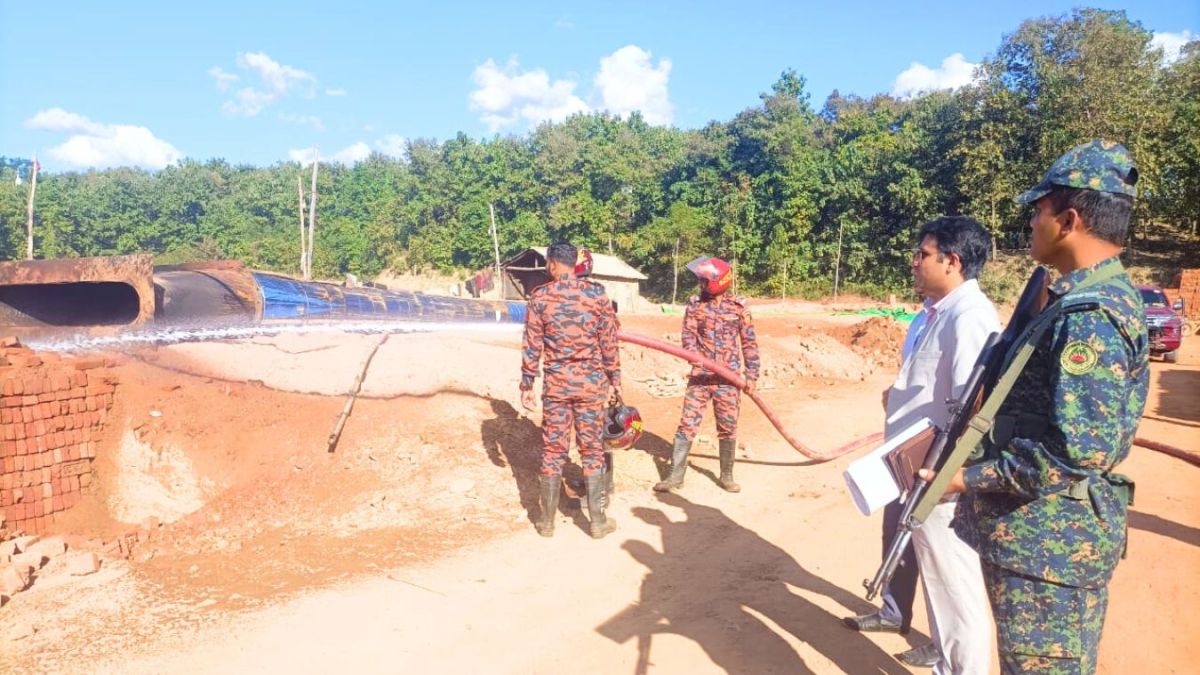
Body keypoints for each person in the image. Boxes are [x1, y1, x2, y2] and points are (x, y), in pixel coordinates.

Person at [925, 139, 1148, 674]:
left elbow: (1076, 454)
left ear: (1068, 220)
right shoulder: (1075, 298)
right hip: (1042, 543)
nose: (1031, 223)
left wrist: (965, 478)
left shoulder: (1089, 315)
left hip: (1052, 549)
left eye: (1039, 211)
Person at [843, 217, 999, 673]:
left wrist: (949, 476)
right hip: (911, 466)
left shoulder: (970, 316)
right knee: (936, 578)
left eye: (923, 254)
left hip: (938, 473)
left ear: (951, 261)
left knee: (955, 592)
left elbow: (976, 405)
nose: (914, 262)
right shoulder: (930, 312)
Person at [520, 241, 623, 539]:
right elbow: (609, 344)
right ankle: (597, 522)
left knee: (553, 452)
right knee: (592, 451)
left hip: (556, 388)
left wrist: (527, 383)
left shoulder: (539, 298)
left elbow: (531, 347)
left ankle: (547, 522)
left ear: (552, 264)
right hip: (592, 387)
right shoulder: (597, 296)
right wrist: (615, 381)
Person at [654, 256, 759, 493]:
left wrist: (752, 376)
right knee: (687, 425)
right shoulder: (695, 306)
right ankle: (675, 476)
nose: (699, 284)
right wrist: (694, 357)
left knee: (728, 427)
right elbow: (688, 338)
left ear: (717, 281)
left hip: (729, 380)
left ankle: (727, 476)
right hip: (700, 378)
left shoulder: (739, 308)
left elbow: (749, 344)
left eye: (703, 280)